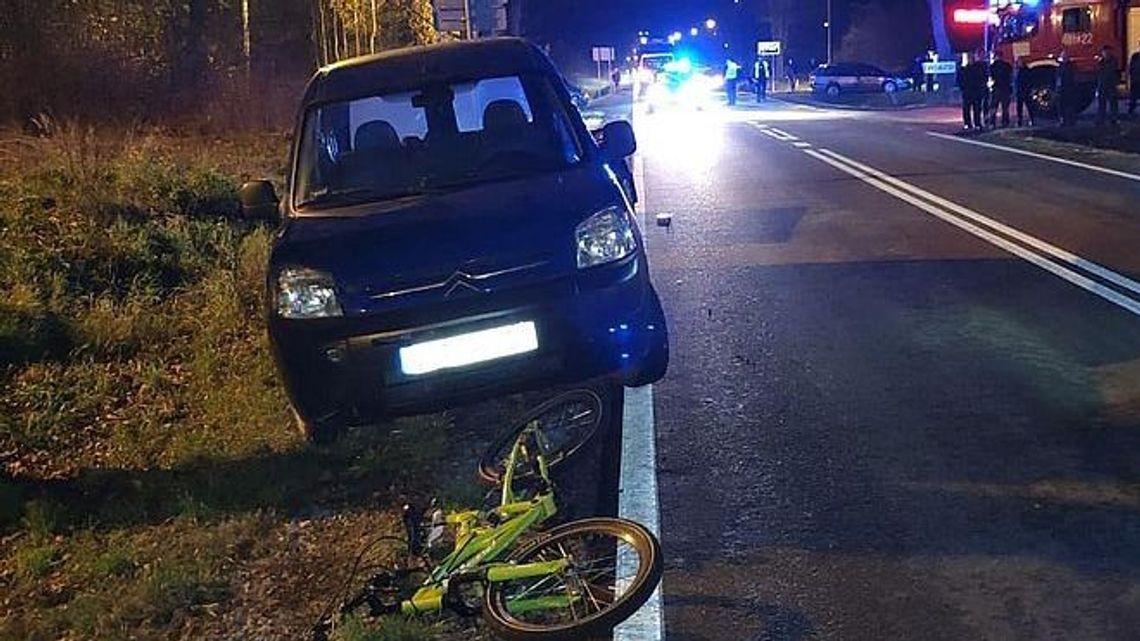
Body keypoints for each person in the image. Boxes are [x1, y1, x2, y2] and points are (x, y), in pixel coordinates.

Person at [1096, 45, 1120, 125]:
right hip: (1102, 85)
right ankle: (1101, 119)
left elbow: (1114, 71)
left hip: (1111, 84)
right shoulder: (1100, 61)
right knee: (1102, 103)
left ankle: (1114, 119)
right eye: (1104, 52)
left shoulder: (1113, 61)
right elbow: (1098, 72)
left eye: (1107, 51)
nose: (1105, 53)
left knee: (1113, 102)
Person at [990, 51, 1013, 127]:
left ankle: (992, 122)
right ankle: (1005, 122)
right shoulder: (1007, 65)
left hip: (997, 88)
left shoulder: (993, 66)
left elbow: (991, 76)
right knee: (1005, 107)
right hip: (1005, 88)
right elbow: (1010, 76)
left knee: (994, 107)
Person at [1057, 52, 1077, 127]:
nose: (1064, 58)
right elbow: (1058, 77)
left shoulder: (1071, 66)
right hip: (1062, 89)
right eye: (1063, 57)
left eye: (1065, 56)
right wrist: (1058, 88)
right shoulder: (1059, 66)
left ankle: (1071, 120)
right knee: (1061, 106)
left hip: (1070, 88)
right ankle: (1062, 120)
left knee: (1070, 105)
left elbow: (1074, 76)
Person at [1014, 58, 1033, 127]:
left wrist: (1029, 90)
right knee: (1019, 107)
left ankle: (1032, 119)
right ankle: (1019, 120)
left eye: (1020, 62)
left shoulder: (1026, 71)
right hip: (1019, 91)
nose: (1019, 63)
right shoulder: (1016, 70)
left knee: (1029, 106)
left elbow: (1029, 81)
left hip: (1025, 91)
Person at [1130, 42, 1140, 116]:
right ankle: (1131, 110)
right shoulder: (1135, 56)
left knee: (1134, 96)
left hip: (1136, 79)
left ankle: (1131, 110)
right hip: (1136, 79)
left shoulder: (1135, 56)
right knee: (1134, 97)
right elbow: (1131, 68)